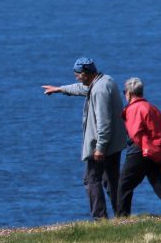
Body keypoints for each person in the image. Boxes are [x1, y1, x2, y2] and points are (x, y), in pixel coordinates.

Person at [43, 58, 129, 219]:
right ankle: (122, 216)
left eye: (77, 74)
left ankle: (99, 218)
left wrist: (100, 147)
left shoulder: (99, 91)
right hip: (115, 144)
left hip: (103, 146)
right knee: (111, 180)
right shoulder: (105, 80)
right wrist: (59, 89)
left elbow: (104, 122)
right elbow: (83, 89)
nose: (76, 77)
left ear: (85, 74)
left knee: (91, 180)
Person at [115, 77, 161, 216]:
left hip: (139, 150)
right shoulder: (153, 108)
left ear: (128, 92)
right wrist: (159, 148)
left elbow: (135, 134)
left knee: (124, 185)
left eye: (124, 92)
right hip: (156, 151)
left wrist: (142, 146)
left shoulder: (133, 108)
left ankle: (121, 219)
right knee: (159, 184)